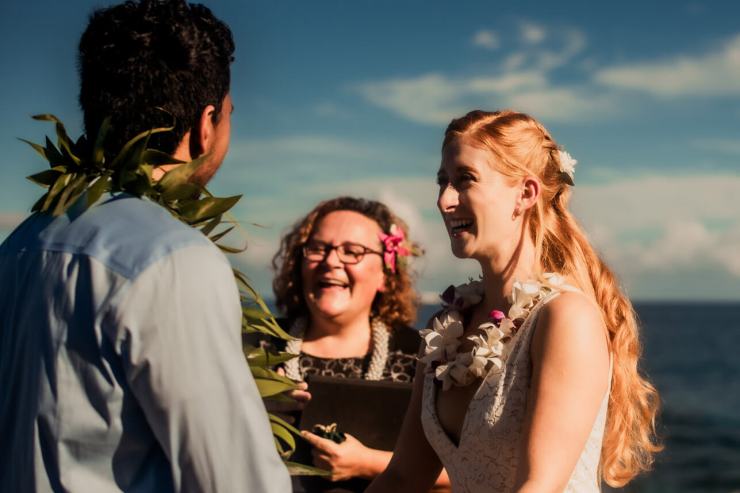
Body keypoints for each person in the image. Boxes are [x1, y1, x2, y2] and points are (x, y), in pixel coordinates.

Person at [0, 1, 290, 492]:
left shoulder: (19, 244)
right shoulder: (172, 260)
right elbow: (234, 480)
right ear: (205, 125)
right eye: (229, 116)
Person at [367, 110, 661, 493]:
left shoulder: (565, 318)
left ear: (525, 193)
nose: (444, 200)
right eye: (442, 181)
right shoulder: (444, 332)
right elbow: (403, 478)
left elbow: (539, 486)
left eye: (465, 179)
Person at [270, 196, 450, 491]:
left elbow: (464, 466)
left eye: (352, 252)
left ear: (385, 274)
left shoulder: (421, 358)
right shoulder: (257, 348)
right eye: (318, 248)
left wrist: (367, 463)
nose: (330, 261)